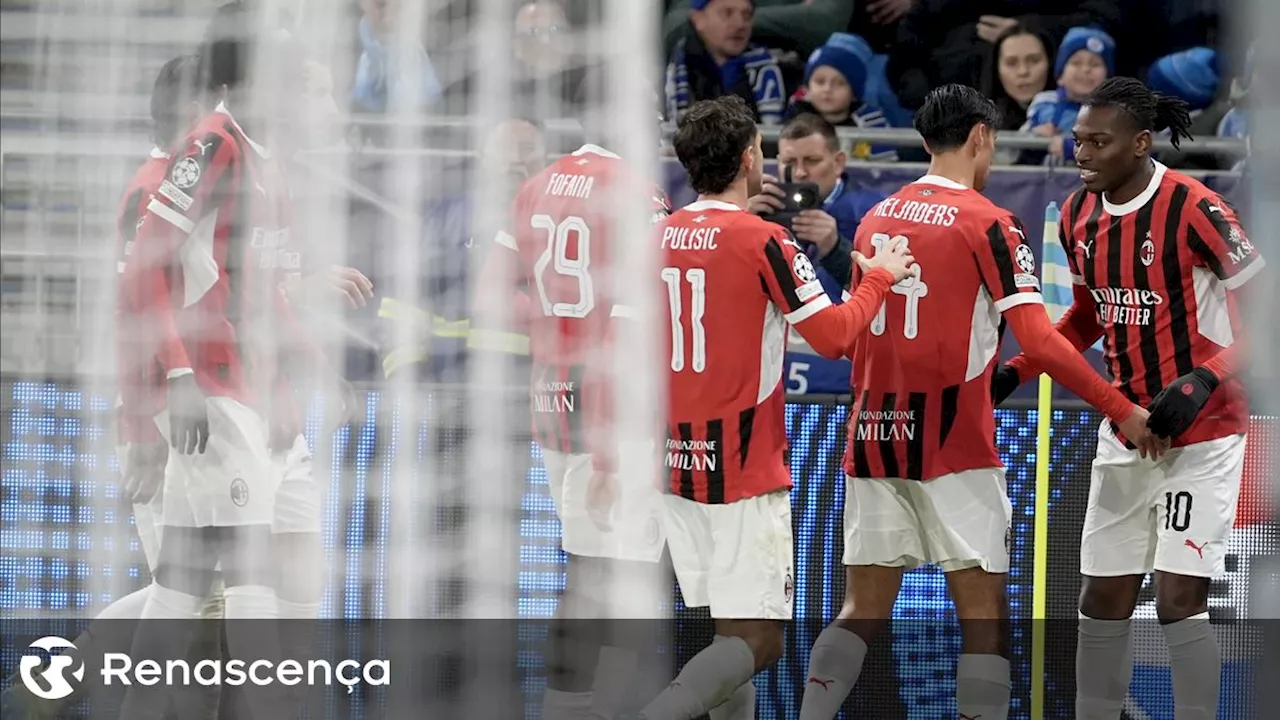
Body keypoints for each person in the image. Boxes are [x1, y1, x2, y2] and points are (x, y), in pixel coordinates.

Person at [797, 84, 1158, 720]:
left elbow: (854, 338)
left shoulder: (878, 216)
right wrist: (1120, 406)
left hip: (873, 437)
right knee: (982, 618)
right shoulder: (989, 222)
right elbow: (1042, 343)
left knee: (862, 609)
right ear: (981, 137)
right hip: (956, 442)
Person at [991, 76, 1264, 720]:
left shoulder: (1198, 208)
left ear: (1140, 143)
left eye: (1098, 142)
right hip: (1127, 430)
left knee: (1176, 601)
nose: (1082, 153)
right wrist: (1021, 366)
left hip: (1204, 433)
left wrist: (1203, 379)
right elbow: (1087, 316)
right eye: (1079, 140)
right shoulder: (1074, 216)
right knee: (1100, 600)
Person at [636, 94, 914, 720]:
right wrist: (880, 277)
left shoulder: (654, 235)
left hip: (673, 464)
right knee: (759, 640)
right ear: (748, 158)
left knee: (727, 636)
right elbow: (838, 336)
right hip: (741, 469)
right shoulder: (765, 241)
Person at [116, 4, 348, 718]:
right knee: (248, 579)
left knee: (182, 589)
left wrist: (310, 369)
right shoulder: (211, 145)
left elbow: (257, 293)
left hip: (244, 388)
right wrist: (178, 379)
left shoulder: (261, 156)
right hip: (212, 392)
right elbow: (143, 269)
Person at [469, 121, 672, 720]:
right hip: (612, 412)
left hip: (551, 404)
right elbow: (631, 328)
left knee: (591, 567)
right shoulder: (639, 193)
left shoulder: (535, 187)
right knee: (618, 578)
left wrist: (551, 333)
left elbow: (488, 299)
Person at [748, 112, 885, 299]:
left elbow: (885, 287)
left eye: (812, 161)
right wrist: (740, 222)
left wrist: (835, 249)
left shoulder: (872, 211)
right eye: (790, 162)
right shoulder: (759, 209)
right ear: (778, 162)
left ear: (838, 162)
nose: (800, 172)